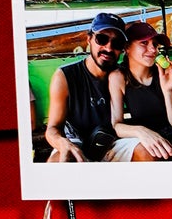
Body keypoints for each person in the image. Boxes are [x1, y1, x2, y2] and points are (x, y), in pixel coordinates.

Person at [109, 18, 172, 162]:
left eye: (155, 44)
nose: (153, 50)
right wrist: (141, 131)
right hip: (163, 139)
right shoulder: (118, 77)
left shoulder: (167, 71)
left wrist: (167, 91)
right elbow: (116, 125)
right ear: (127, 47)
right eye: (144, 43)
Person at [41, 15, 126, 164]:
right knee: (57, 161)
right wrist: (62, 143)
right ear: (89, 39)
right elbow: (53, 128)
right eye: (102, 39)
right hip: (76, 141)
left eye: (117, 43)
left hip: (114, 142)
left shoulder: (124, 76)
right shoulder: (65, 76)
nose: (109, 48)